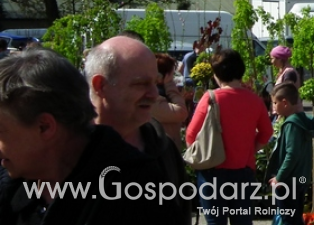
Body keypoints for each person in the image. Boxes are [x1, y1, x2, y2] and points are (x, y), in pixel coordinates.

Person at [0, 48, 179, 224]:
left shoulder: (138, 194)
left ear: (45, 127)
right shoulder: (12, 187)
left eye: (1, 131)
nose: (154, 93)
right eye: (141, 83)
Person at [85, 36, 191, 225]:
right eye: (140, 84)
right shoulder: (67, 152)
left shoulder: (163, 150)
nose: (153, 94)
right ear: (100, 86)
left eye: (154, 83)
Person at [187, 49, 273, 225]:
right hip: (243, 171)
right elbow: (266, 133)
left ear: (217, 74)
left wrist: (200, 154)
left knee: (215, 222)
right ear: (240, 71)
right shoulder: (254, 100)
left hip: (212, 170)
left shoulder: (210, 98)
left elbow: (191, 134)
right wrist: (251, 149)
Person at [267, 83, 314, 225]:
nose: (273, 107)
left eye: (275, 103)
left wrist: (279, 178)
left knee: (288, 218)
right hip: (300, 179)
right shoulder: (303, 121)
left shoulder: (291, 124)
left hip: (288, 181)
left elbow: (291, 154)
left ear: (285, 103)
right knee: (294, 218)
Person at [153, 52, 189, 149]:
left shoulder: (163, 93)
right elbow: (181, 112)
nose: (173, 79)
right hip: (162, 153)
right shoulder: (153, 98)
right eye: (171, 76)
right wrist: (169, 85)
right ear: (159, 76)